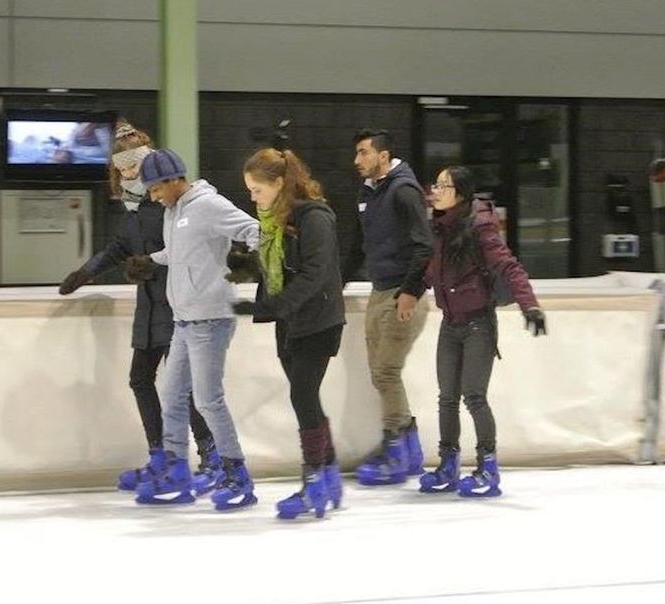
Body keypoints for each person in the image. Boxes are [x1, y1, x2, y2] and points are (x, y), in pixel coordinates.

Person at [57, 121, 223, 496]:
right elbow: (119, 247)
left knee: (187, 388)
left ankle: (212, 458)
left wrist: (153, 263)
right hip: (149, 310)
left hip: (179, 305)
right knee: (140, 380)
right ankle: (161, 456)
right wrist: (86, 272)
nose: (130, 173)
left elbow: (190, 247)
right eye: (123, 168)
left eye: (135, 165)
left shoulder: (170, 202)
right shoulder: (132, 208)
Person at [130, 148, 261, 511]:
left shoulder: (207, 205)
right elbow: (179, 253)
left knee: (207, 399)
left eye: (156, 189)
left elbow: (256, 230)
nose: (154, 197)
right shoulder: (175, 212)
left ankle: (237, 475)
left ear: (174, 180)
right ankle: (177, 473)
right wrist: (150, 262)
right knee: (172, 398)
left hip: (211, 318)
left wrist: (248, 260)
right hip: (184, 319)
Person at [418, 165, 546, 498]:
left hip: (478, 324)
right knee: (447, 398)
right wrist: (409, 292)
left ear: (459, 193)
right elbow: (433, 271)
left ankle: (488, 468)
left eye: (443, 186)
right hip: (450, 323)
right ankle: (449, 462)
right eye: (436, 184)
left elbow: (508, 265)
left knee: (473, 396)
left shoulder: (480, 226)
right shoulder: (441, 227)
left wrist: (529, 305)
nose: (436, 190)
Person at [233, 147, 345, 520]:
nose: (252, 197)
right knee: (307, 399)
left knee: (302, 396)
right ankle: (328, 475)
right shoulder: (274, 219)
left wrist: (271, 306)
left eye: (256, 189)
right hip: (290, 321)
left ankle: (314, 481)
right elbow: (278, 267)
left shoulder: (315, 217)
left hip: (319, 320)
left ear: (279, 183)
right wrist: (247, 268)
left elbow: (315, 274)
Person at [342, 129, 433, 486]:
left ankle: (396, 448)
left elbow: (424, 245)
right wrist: (338, 284)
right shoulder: (368, 192)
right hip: (380, 291)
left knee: (386, 371)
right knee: (379, 371)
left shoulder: (403, 190)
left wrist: (410, 291)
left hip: (402, 292)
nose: (357, 161)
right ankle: (407, 448)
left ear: (383, 155)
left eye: (363, 153)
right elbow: (358, 246)